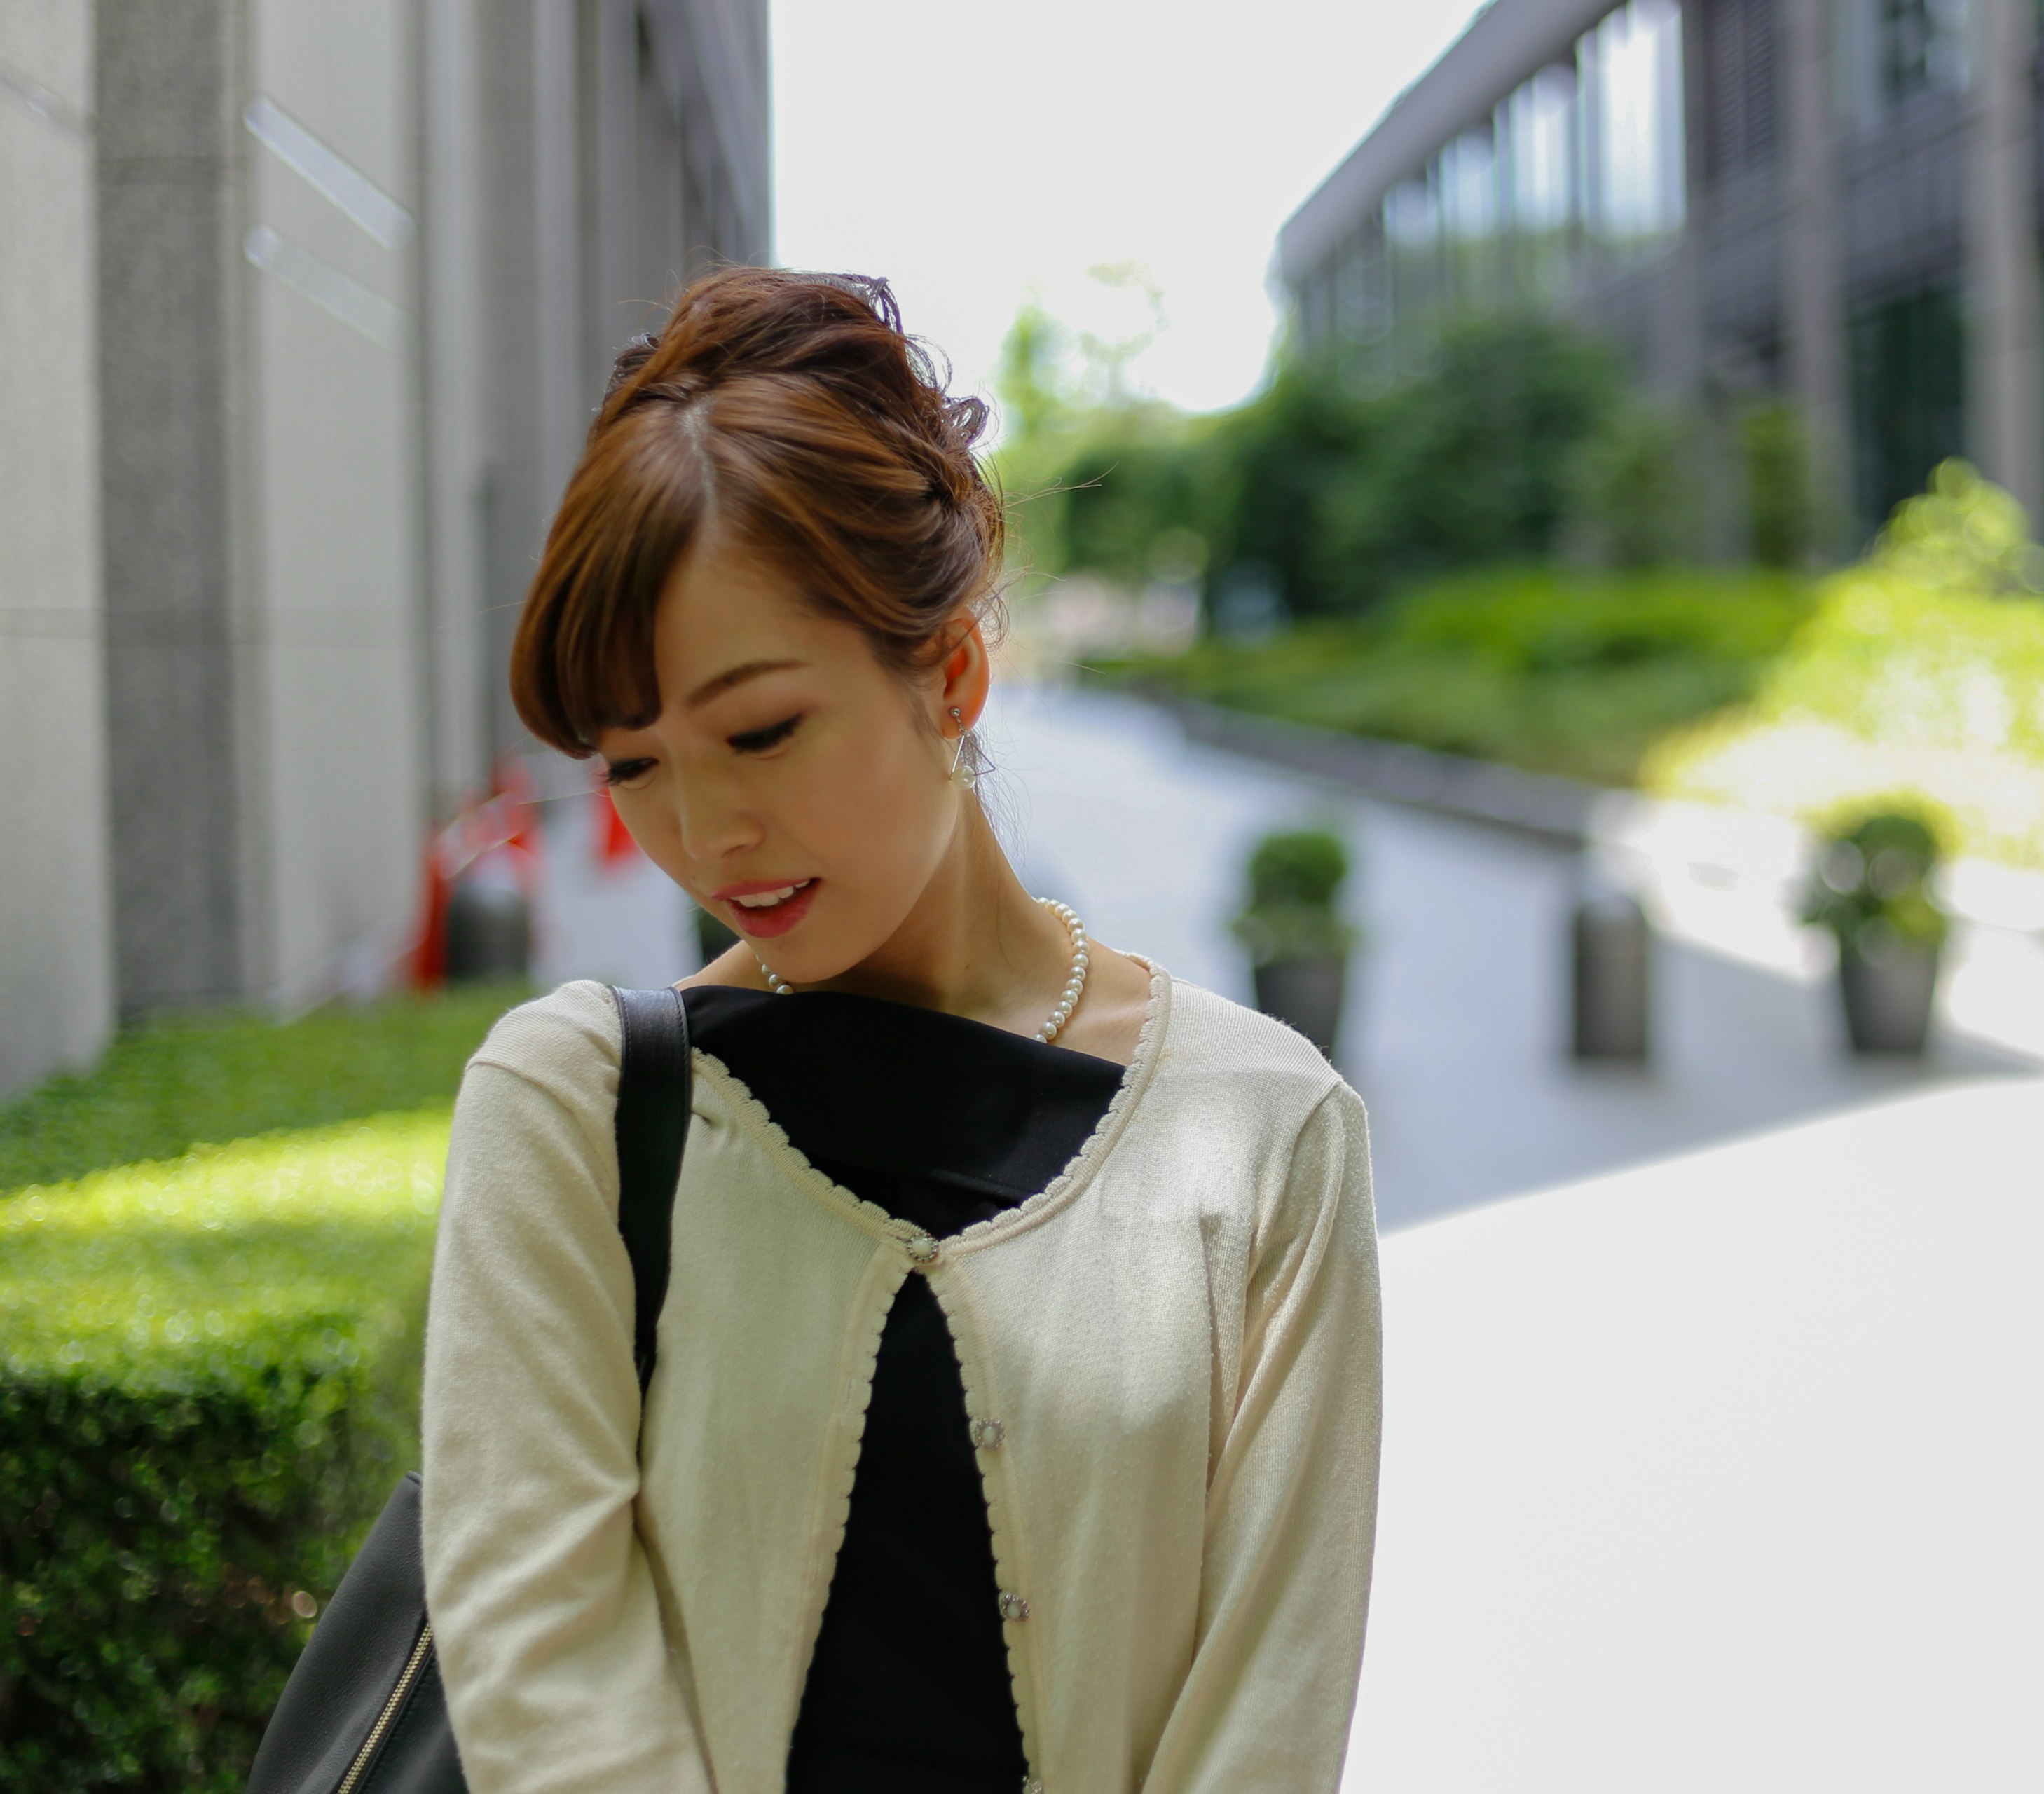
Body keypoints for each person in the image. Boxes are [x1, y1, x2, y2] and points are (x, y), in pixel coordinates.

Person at [419, 266, 1383, 1794]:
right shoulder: (580, 1109)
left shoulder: (1264, 1133)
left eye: (759, 730)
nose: (709, 829)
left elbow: (1272, 1703)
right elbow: (543, 1675)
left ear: (949, 673)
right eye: (636, 764)